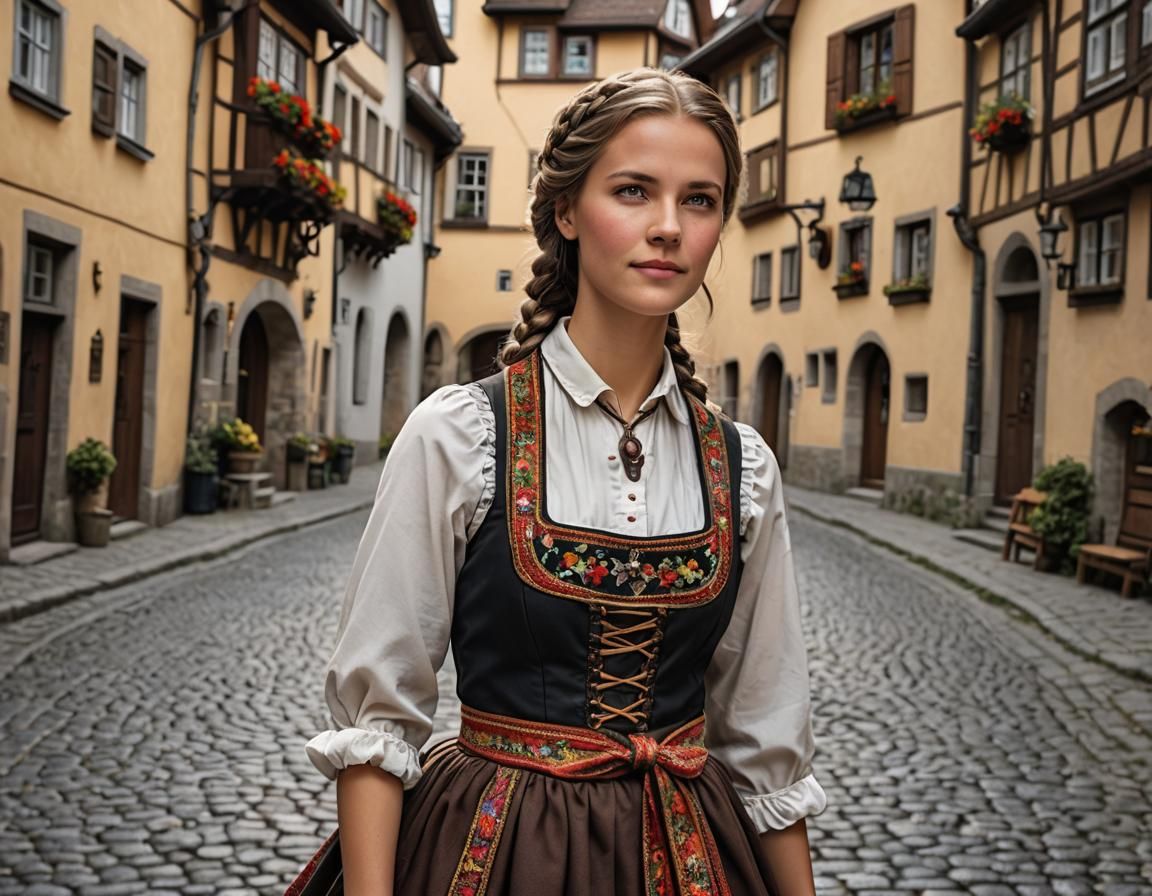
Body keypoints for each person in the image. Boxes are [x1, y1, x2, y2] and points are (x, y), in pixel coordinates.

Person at [298, 67, 827, 896]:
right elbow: (379, 714)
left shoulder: (743, 466)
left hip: (690, 859)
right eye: (632, 190)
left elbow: (765, 736)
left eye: (699, 199)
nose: (667, 227)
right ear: (565, 211)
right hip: (501, 853)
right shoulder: (461, 436)